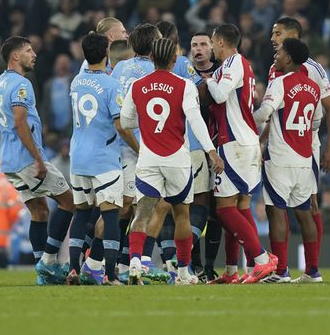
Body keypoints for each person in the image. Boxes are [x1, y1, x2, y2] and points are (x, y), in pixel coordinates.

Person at [121, 37, 224, 285]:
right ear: (174, 59)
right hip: (177, 159)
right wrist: (211, 151)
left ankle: (135, 263)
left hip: (148, 158)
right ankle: (183, 272)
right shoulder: (185, 85)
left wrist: (144, 123)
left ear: (152, 59)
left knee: (143, 212)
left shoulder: (137, 85)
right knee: (182, 215)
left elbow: (125, 122)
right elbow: (195, 119)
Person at [0, 36, 75, 285]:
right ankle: (48, 261)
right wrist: (38, 158)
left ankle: (42, 274)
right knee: (70, 203)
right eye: (28, 50)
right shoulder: (21, 85)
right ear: (15, 56)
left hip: (9, 161)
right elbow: (18, 122)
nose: (33, 54)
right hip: (27, 159)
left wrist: (11, 137)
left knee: (39, 211)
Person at [263, 17, 330, 282]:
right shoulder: (276, 67)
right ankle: (302, 270)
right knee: (300, 206)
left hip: (308, 139)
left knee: (307, 206)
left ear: (293, 35)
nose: (273, 38)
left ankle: (310, 268)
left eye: (278, 33)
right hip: (284, 138)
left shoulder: (313, 68)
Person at [204, 23, 278, 284]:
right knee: (240, 206)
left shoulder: (234, 63)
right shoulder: (238, 65)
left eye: (212, 42)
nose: (211, 47)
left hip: (234, 143)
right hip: (243, 141)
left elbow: (221, 95)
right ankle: (232, 271)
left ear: (221, 42)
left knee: (224, 210)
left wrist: (208, 80)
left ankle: (260, 258)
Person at [66, 32, 139, 286]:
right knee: (110, 216)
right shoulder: (111, 85)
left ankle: (73, 269)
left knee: (81, 213)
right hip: (103, 158)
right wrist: (139, 148)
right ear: (106, 54)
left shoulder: (76, 81)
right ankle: (110, 274)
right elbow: (120, 126)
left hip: (77, 156)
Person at [253, 38, 322, 283]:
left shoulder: (279, 83)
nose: (276, 55)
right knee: (305, 214)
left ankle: (281, 271)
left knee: (276, 212)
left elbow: (264, 113)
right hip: (304, 159)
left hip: (280, 159)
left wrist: (244, 122)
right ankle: (313, 271)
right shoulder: (313, 87)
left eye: (280, 52)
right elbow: (315, 122)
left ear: (289, 58)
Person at [110, 23, 165, 283]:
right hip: (143, 146)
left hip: (119, 146)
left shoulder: (119, 67)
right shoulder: (155, 71)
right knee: (141, 207)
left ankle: (121, 261)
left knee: (125, 207)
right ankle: (126, 262)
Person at [155, 21, 210, 279]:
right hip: (191, 144)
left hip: (157, 147)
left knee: (163, 207)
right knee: (196, 204)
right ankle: (182, 260)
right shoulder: (181, 63)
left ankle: (166, 261)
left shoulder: (145, 69)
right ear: (176, 40)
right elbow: (200, 90)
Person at [190, 31, 222, 282]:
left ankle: (210, 265)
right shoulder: (183, 72)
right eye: (194, 45)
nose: (198, 49)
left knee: (216, 209)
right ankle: (195, 264)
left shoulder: (224, 73)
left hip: (218, 148)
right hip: (192, 150)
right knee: (192, 207)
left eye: (203, 44)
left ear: (212, 48)